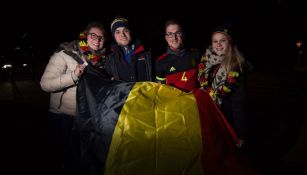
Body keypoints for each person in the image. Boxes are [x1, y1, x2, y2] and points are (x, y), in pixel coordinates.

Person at [40, 21, 109, 174]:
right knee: (65, 159)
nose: (97, 40)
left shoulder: (102, 60)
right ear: (85, 36)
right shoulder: (65, 53)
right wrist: (73, 76)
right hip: (64, 117)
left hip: (87, 118)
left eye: (101, 37)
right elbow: (45, 84)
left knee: (83, 161)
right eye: (93, 35)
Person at [198, 23, 250, 148]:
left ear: (230, 42)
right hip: (209, 118)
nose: (218, 45)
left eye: (223, 41)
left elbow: (238, 105)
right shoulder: (207, 62)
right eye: (215, 41)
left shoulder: (235, 67)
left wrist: (240, 134)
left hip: (227, 121)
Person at [155, 19, 201, 92]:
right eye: (170, 34)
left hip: (195, 101)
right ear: (166, 38)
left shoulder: (195, 54)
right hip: (174, 102)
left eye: (177, 33)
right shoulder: (161, 61)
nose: (174, 38)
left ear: (183, 35)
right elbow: (160, 90)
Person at [105, 16, 152, 82]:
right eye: (118, 32)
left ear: (130, 32)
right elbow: (103, 78)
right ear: (114, 36)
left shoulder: (146, 51)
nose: (122, 35)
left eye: (125, 30)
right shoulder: (111, 58)